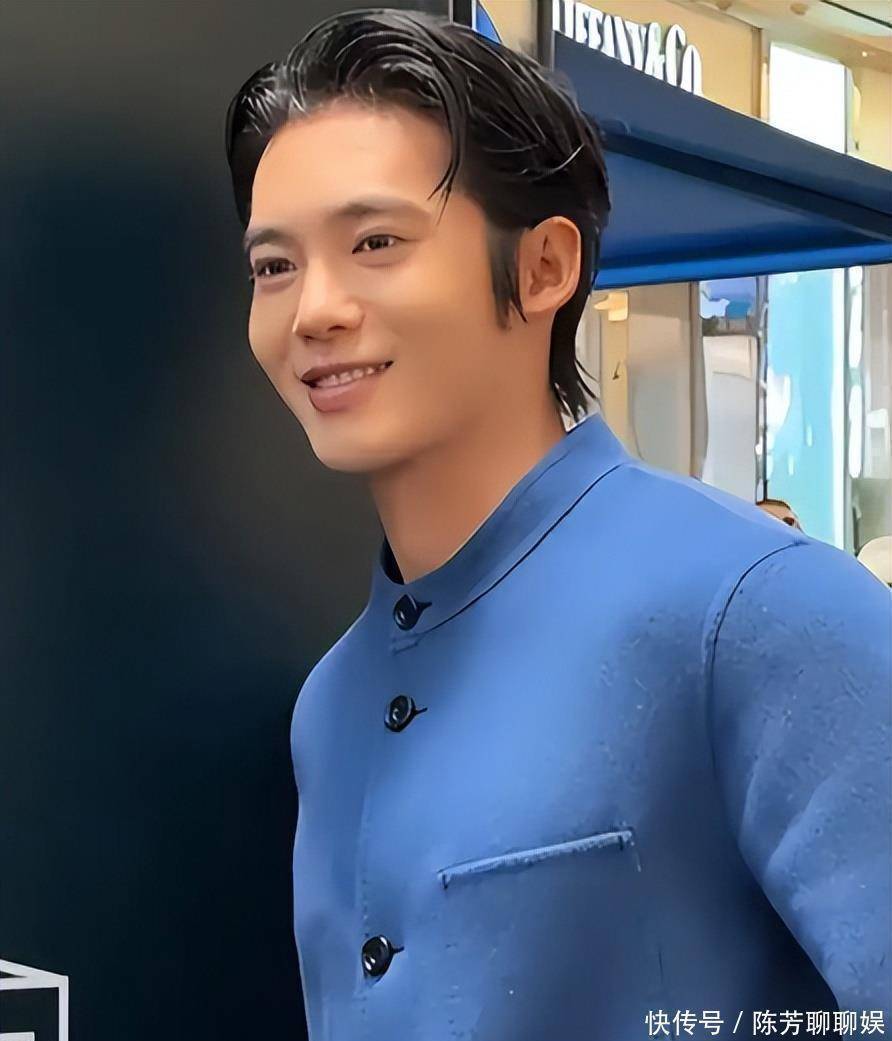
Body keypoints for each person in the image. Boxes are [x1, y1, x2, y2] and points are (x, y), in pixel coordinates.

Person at [225, 10, 892, 1039]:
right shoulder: (330, 704)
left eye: (375, 243)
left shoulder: (754, 612)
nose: (313, 309)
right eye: (274, 266)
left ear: (544, 267)